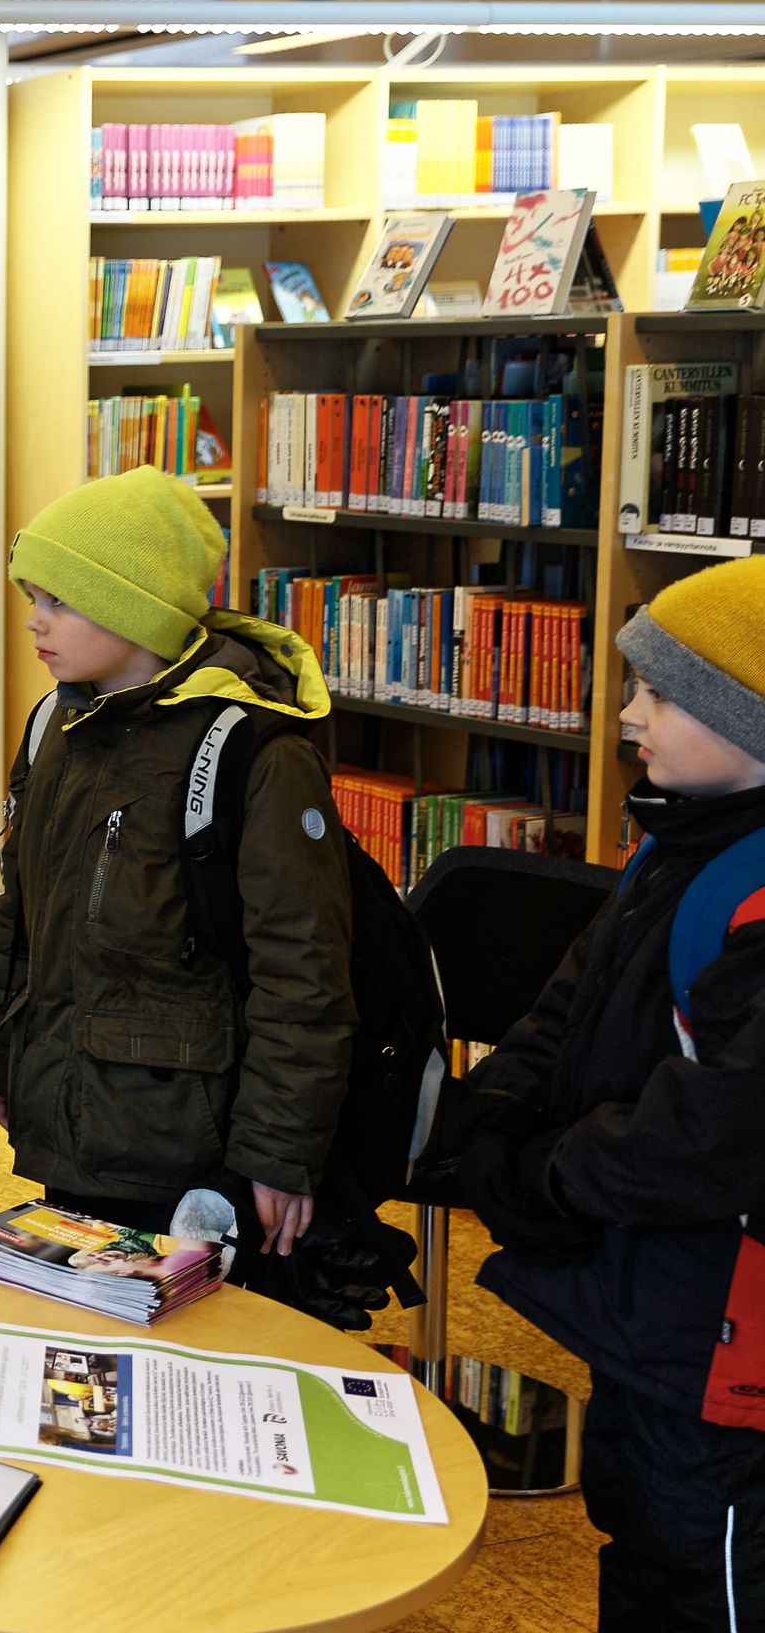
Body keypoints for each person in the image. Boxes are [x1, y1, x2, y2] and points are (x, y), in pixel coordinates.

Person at [453, 559, 765, 1628]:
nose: (629, 713)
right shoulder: (674, 844)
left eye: (662, 695)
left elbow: (712, 1133)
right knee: (639, 1522)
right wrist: (489, 1121)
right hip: (653, 1304)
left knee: (709, 1564)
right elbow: (565, 1010)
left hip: (731, 1341)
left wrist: (545, 1176)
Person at [0, 465, 354, 1258]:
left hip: (191, 1142)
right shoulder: (55, 722)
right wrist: (5, 1058)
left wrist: (279, 1152)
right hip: (72, 1110)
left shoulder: (254, 753)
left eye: (60, 601)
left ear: (134, 607)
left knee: (195, 1349)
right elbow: (21, 913)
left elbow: (304, 971)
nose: (33, 624)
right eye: (31, 600)